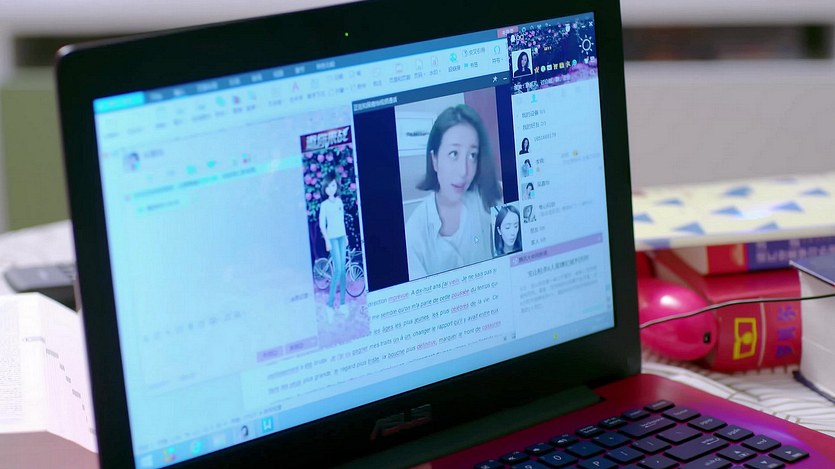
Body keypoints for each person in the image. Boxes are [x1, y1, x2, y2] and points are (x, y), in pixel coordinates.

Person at [405, 104, 502, 279]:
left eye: (472, 155)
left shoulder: (489, 199)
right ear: (435, 160)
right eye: (453, 154)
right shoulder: (414, 232)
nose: (464, 171)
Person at [318, 173, 347, 318]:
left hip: (341, 237)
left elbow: (341, 220)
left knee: (343, 271)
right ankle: (329, 305)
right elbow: (322, 225)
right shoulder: (324, 205)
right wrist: (327, 241)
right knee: (338, 270)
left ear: (337, 186)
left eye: (333, 185)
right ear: (325, 188)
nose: (331, 188)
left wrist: (345, 236)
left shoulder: (339, 202)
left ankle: (342, 304)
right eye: (328, 186)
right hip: (333, 238)